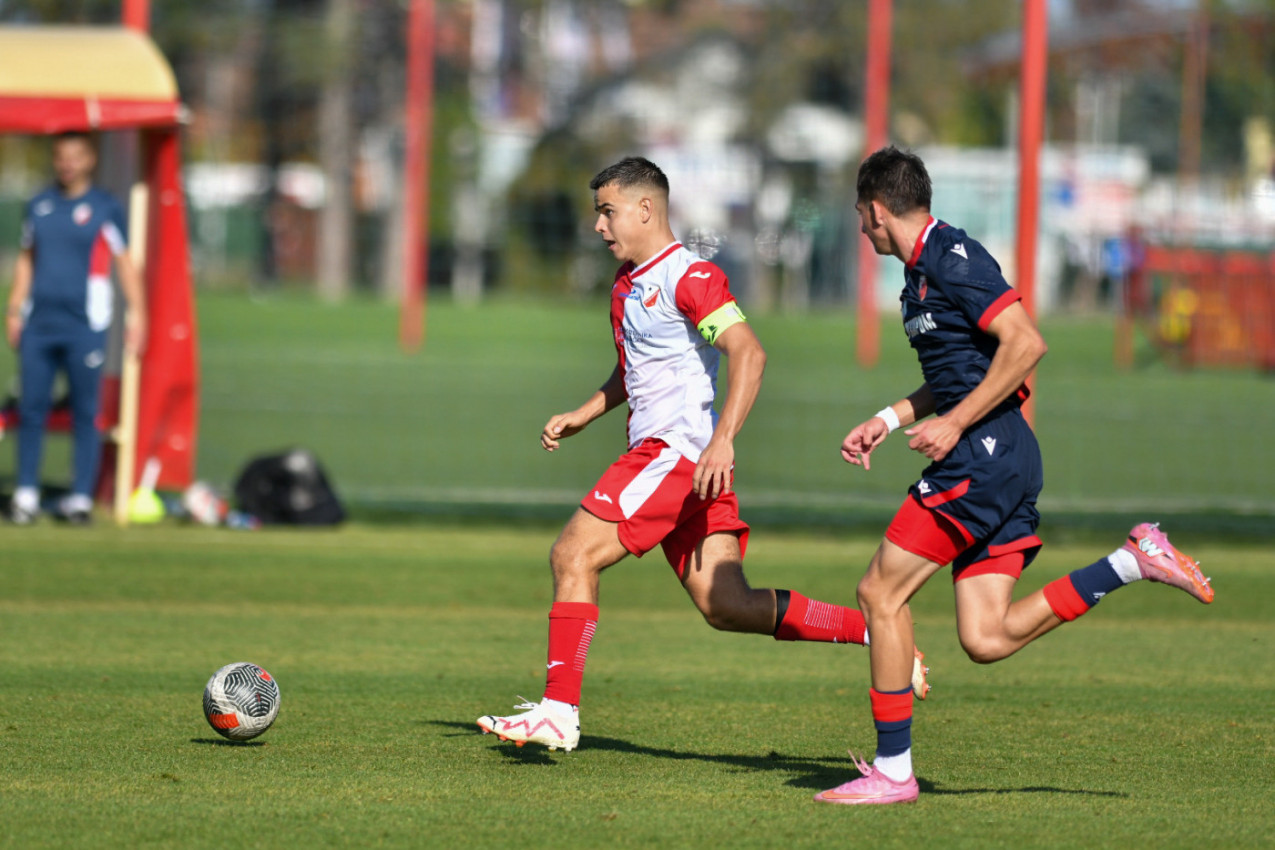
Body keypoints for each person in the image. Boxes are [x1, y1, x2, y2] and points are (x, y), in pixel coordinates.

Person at [477, 156, 928, 752]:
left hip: (677, 455)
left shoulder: (690, 278)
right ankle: (872, 631)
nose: (599, 227)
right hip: (687, 465)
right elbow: (635, 370)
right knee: (727, 605)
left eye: (607, 212)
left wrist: (721, 441)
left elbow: (749, 353)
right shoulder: (627, 286)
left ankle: (558, 712)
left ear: (645, 209)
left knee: (572, 556)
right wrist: (584, 413)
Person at [814, 147, 1214, 806]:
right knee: (985, 636)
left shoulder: (951, 256)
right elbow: (955, 375)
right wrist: (888, 418)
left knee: (879, 595)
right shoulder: (917, 275)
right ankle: (1130, 561)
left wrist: (953, 425)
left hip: (983, 455)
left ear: (878, 210)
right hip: (999, 455)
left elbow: (1025, 342)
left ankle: (891, 772)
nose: (860, 228)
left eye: (861, 215)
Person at [6, 131, 146, 524]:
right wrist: (14, 309)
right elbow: (26, 259)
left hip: (84, 326)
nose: (67, 164)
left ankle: (80, 497)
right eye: (60, 156)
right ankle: (27, 494)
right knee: (32, 409)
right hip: (39, 324)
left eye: (75, 156)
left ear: (89, 161)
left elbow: (124, 262)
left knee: (86, 412)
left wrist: (140, 314)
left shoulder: (104, 207)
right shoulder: (39, 204)